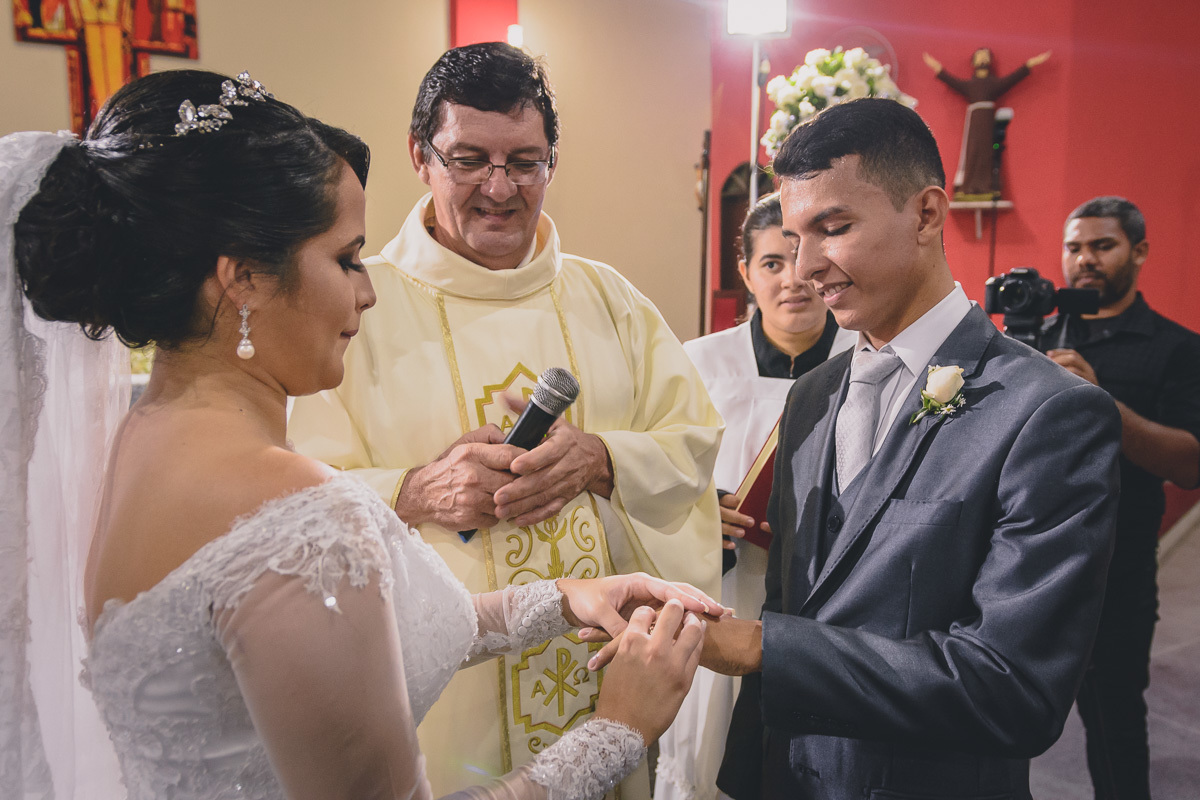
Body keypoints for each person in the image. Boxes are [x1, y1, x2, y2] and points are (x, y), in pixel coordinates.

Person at [5, 68, 727, 800]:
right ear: (244, 279)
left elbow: (339, 635)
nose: (369, 288)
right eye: (346, 258)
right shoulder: (295, 511)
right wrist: (618, 733)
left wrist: (565, 597)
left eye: (524, 162)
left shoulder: (137, 442)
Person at [649, 97, 1119, 800]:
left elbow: (1013, 689)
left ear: (928, 214)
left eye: (832, 229)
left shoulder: (1049, 413)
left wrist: (761, 646)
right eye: (792, 238)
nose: (805, 269)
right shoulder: (813, 396)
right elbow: (793, 598)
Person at [288, 42, 723, 795]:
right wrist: (415, 490)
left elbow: (693, 446)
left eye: (525, 161)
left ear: (552, 163)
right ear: (420, 156)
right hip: (441, 689)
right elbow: (288, 500)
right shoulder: (357, 305)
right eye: (469, 159)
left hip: (602, 667)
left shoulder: (610, 300)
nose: (499, 187)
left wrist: (605, 459)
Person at [654, 192, 853, 800]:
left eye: (801, 260)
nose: (792, 280)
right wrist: (696, 512)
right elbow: (652, 478)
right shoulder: (696, 363)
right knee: (710, 748)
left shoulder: (865, 360)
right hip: (724, 589)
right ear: (745, 273)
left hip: (822, 596)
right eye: (771, 263)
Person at [1043, 196, 1200, 800]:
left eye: (1101, 246)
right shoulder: (1039, 330)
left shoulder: (1177, 347)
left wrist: (1101, 405)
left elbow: (1189, 462)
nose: (1084, 260)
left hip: (1117, 567)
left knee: (1114, 728)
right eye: (1074, 247)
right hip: (1023, 557)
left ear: (1139, 252)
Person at [922, 48, 1050, 199]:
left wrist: (1029, 64)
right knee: (973, 152)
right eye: (979, 55)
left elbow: (1012, 79)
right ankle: (969, 187)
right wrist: (938, 69)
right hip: (975, 121)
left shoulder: (993, 83)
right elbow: (953, 82)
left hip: (988, 121)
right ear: (974, 61)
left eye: (985, 56)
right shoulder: (971, 85)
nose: (982, 58)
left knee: (988, 152)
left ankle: (987, 187)